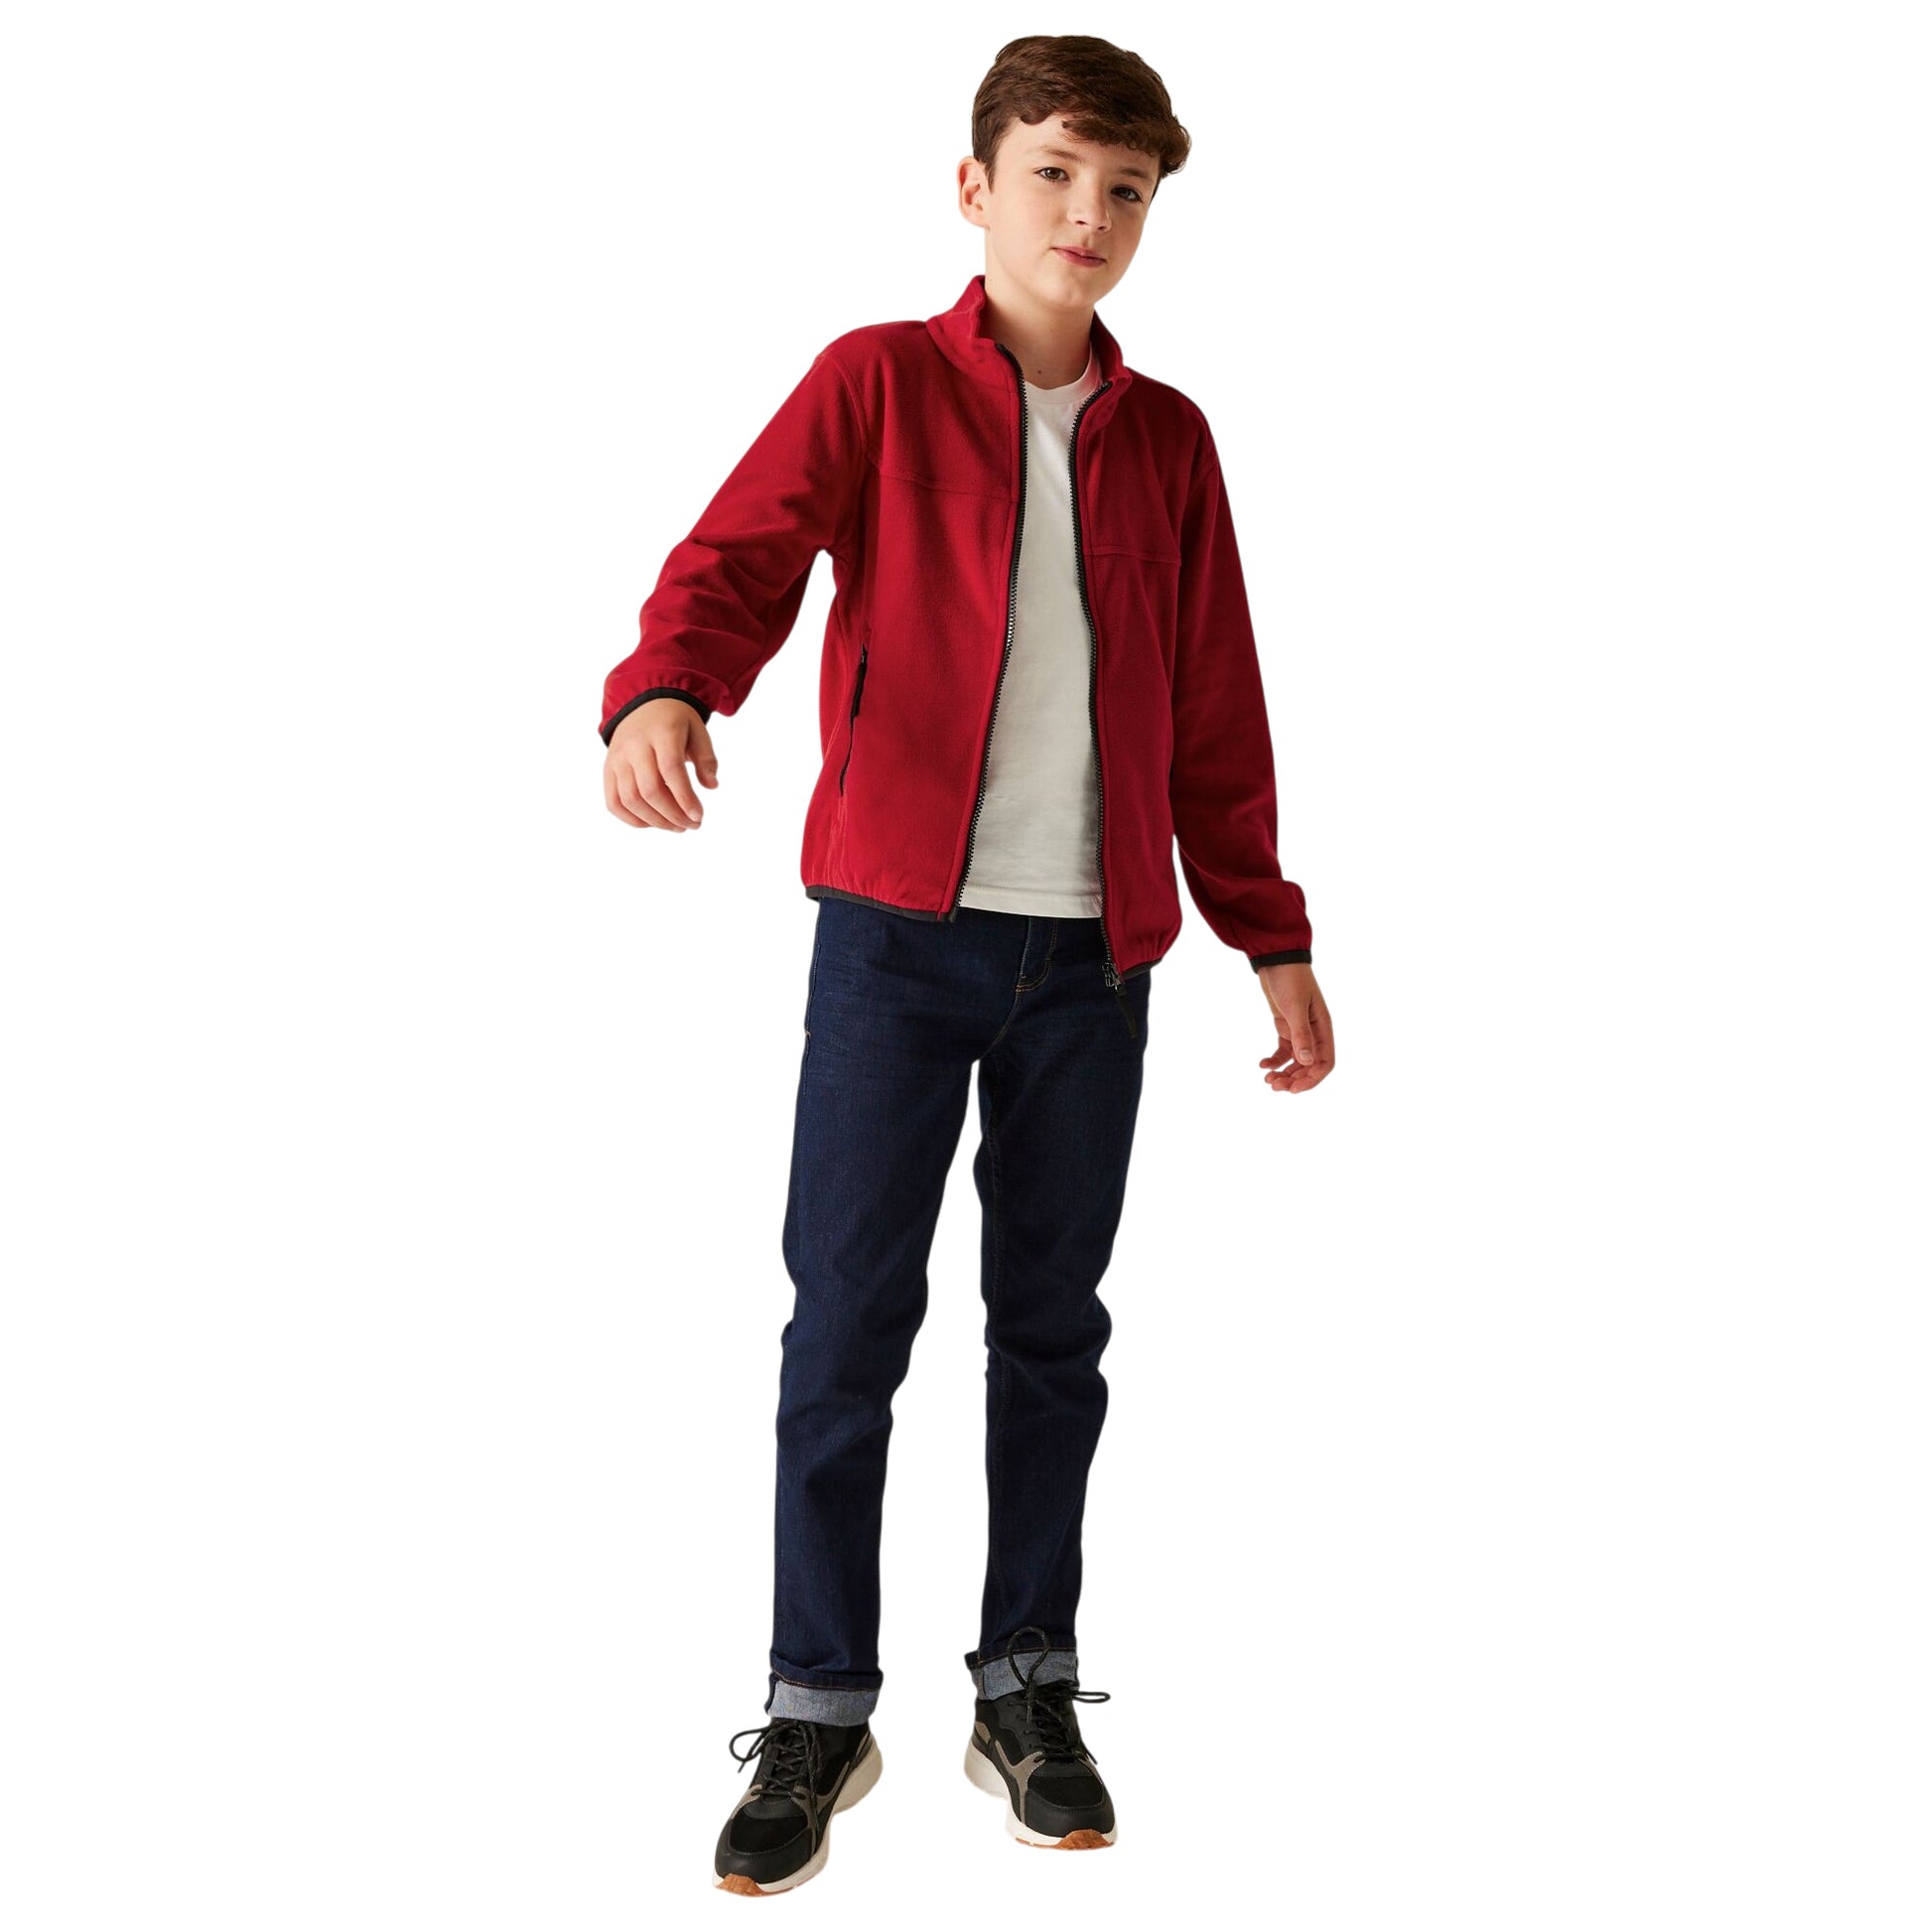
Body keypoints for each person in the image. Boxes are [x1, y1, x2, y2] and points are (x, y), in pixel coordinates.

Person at [599, 34, 1336, 1895]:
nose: (1089, 213)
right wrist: (668, 686)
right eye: (1055, 174)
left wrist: (1267, 929)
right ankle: (817, 1706)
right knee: (845, 1323)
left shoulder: (1170, 441)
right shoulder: (875, 382)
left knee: (1051, 1332)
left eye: (1125, 188)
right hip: (894, 941)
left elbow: (1219, 707)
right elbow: (738, 555)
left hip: (1097, 957)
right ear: (974, 189)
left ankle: (1026, 1687)